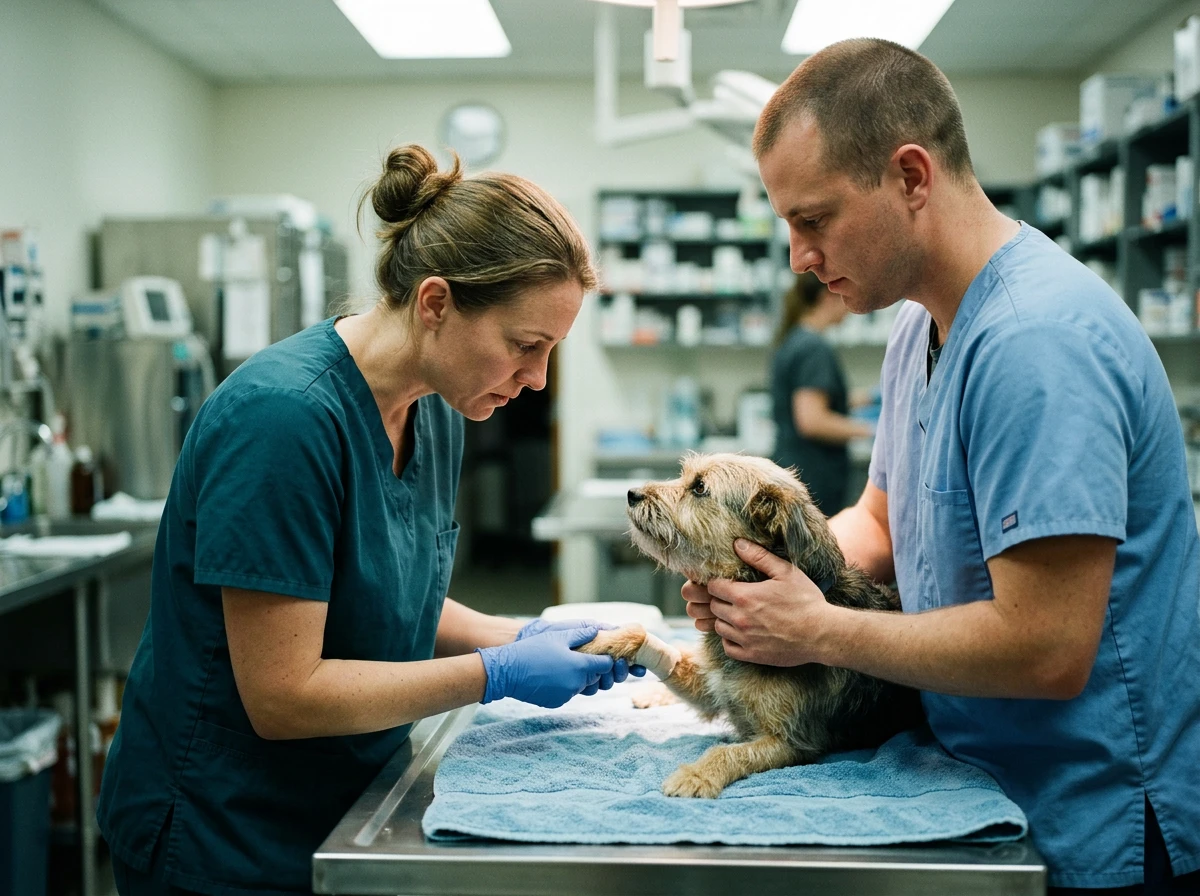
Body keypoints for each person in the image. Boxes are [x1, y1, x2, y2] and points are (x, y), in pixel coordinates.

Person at [683, 39, 1200, 894]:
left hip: (1092, 822)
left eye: (813, 219)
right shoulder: (917, 326)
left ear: (911, 177)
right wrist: (760, 577)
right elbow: (882, 524)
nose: (797, 258)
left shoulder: (1037, 343)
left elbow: (1045, 647)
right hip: (974, 785)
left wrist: (815, 628)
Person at [97, 144, 638, 896]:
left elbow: (389, 589)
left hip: (343, 798)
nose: (537, 380)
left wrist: (516, 634)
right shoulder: (284, 421)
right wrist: (494, 674)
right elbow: (284, 693)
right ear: (436, 303)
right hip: (224, 831)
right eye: (525, 347)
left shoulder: (435, 410)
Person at [770, 271, 873, 514]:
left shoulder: (795, 339)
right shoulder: (814, 348)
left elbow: (814, 398)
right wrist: (872, 431)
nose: (848, 306)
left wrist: (865, 399)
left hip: (794, 468)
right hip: (813, 479)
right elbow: (812, 420)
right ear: (828, 296)